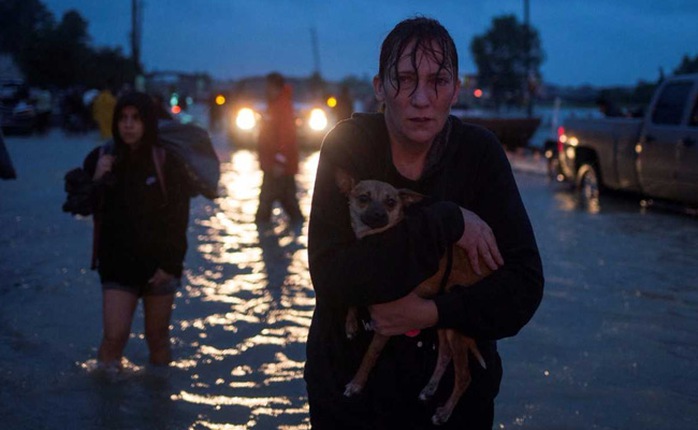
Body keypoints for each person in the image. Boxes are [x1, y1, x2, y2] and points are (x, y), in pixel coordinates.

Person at [305, 17, 544, 429]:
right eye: (405, 79)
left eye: (438, 81)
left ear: (456, 89)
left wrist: (432, 312)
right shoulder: (349, 145)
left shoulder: (480, 155)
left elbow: (523, 288)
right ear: (379, 87)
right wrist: (447, 220)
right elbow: (332, 277)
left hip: (455, 413)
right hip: (349, 404)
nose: (421, 98)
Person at [81, 92, 192, 370]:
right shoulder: (101, 157)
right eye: (123, 118)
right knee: (113, 339)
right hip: (118, 266)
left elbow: (178, 218)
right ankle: (106, 405)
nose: (128, 125)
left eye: (136, 119)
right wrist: (97, 179)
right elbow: (81, 207)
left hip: (160, 268)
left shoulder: (167, 162)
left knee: (158, 340)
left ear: (148, 123)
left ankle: (159, 404)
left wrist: (170, 265)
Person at [255, 72, 303, 225]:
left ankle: (265, 236)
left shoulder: (282, 106)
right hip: (275, 165)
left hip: (278, 166)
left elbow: (286, 136)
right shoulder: (276, 105)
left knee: (267, 203)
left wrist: (280, 161)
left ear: (275, 87)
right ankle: (299, 231)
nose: (266, 90)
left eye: (268, 86)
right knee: (287, 202)